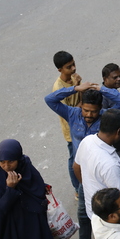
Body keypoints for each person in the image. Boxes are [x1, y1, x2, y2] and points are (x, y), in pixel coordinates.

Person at [45, 83, 120, 239]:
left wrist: (100, 88)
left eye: (93, 111)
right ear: (80, 106)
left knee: (108, 214)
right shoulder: (72, 114)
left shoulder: (106, 119)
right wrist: (75, 89)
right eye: (85, 110)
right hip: (83, 172)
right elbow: (49, 99)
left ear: (101, 109)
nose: (89, 115)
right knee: (83, 214)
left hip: (101, 175)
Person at [0, 139, 56, 239]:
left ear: (18, 158)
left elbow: (34, 184)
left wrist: (42, 187)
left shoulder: (25, 165)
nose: (6, 166)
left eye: (11, 161)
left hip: (36, 226)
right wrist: (10, 190)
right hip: (17, 234)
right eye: (2, 162)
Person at [51, 51, 82, 194]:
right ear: (60, 70)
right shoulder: (59, 88)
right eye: (69, 67)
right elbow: (67, 113)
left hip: (81, 122)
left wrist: (79, 84)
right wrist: (82, 104)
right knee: (74, 159)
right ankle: (77, 188)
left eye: (74, 64)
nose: (73, 69)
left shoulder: (74, 79)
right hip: (71, 128)